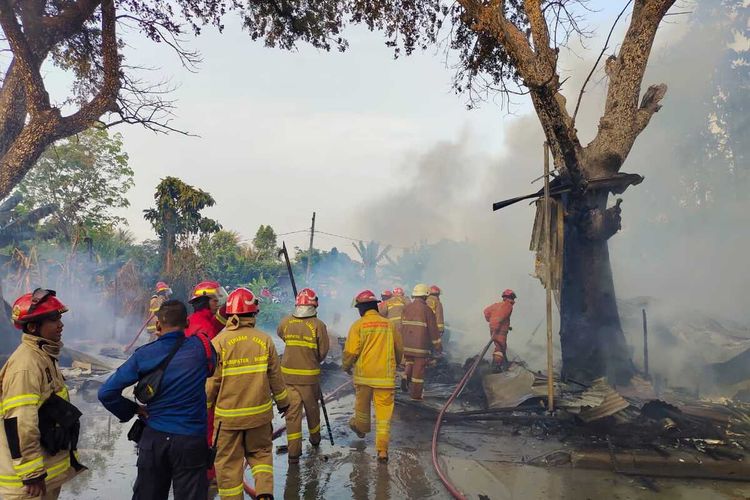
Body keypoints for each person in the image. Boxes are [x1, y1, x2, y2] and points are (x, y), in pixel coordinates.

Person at [98, 300, 216, 500]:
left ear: (158, 325)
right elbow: (212, 367)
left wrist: (134, 409)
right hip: (191, 440)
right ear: (186, 323)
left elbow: (106, 393)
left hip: (154, 440)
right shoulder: (201, 347)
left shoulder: (144, 355)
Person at [0, 289, 85, 500]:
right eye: (54, 319)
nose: (61, 325)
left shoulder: (43, 356)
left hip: (44, 475)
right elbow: (20, 421)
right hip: (26, 487)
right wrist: (31, 473)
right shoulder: (26, 365)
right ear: (32, 326)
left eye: (60, 318)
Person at [207, 288, 289, 500]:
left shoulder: (218, 343)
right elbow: (276, 378)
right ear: (254, 313)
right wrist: (284, 404)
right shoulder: (265, 340)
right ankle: (264, 494)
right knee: (261, 456)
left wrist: (203, 408)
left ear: (230, 314)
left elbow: (211, 383)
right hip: (259, 418)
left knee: (228, 465)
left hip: (228, 421)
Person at [342, 290, 403, 462]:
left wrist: (346, 366)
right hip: (385, 378)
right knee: (383, 417)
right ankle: (382, 451)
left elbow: (351, 351)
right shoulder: (389, 325)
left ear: (361, 308)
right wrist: (396, 364)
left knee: (362, 410)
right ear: (375, 306)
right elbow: (399, 349)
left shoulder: (358, 325)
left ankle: (360, 428)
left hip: (364, 378)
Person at [277, 288, 330, 463]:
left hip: (288, 378)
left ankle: (293, 454)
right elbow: (322, 353)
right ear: (314, 305)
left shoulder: (286, 322)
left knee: (292, 415)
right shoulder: (318, 325)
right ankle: (315, 440)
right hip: (309, 378)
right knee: (312, 410)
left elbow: (281, 334)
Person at [400, 284, 441, 400]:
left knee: (409, 361)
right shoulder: (427, 310)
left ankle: (405, 376)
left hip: (406, 345)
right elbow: (433, 331)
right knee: (418, 372)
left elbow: (401, 327)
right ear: (425, 296)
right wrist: (438, 346)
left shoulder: (406, 308)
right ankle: (416, 396)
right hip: (420, 348)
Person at [483, 289, 517, 371]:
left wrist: (490, 320)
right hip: (499, 331)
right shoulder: (508, 305)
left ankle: (498, 365)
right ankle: (496, 367)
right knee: (500, 348)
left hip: (495, 329)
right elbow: (500, 317)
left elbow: (486, 311)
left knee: (500, 347)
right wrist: (496, 326)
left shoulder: (497, 305)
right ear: (511, 297)